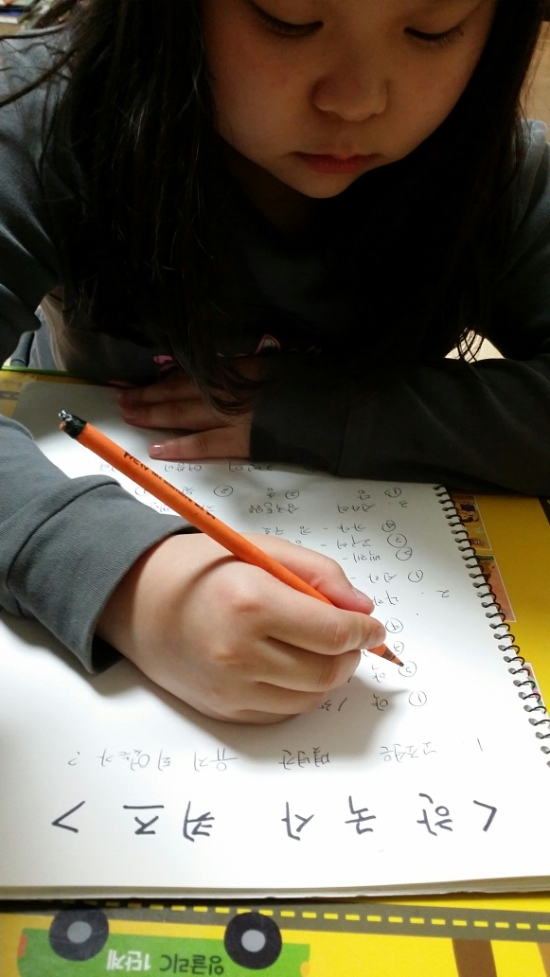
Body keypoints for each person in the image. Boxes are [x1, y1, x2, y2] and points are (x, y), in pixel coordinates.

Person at [0, 0, 548, 723]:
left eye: (432, 29)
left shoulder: (502, 171)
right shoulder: (41, 116)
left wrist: (338, 411)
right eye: (287, 19)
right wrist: (130, 576)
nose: (356, 101)